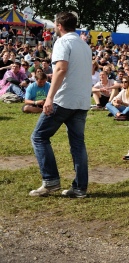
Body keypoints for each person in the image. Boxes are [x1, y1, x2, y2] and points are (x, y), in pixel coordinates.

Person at [30, 12, 92, 198]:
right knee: (78, 144)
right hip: (81, 101)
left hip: (64, 99)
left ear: (59, 26)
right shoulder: (84, 45)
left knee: (39, 137)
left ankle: (50, 181)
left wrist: (49, 98)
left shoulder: (63, 42)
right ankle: (80, 188)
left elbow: (61, 69)